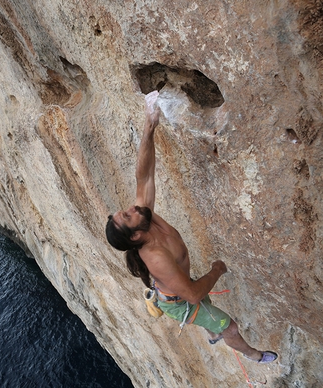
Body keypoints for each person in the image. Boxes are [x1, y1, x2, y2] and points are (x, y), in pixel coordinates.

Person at [105, 91, 277, 364]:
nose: (130, 209)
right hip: (180, 301)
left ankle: (208, 328)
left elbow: (144, 174)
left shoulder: (146, 218)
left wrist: (149, 126)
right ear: (135, 235)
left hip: (178, 286)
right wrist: (216, 270)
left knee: (200, 303)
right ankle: (254, 355)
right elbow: (194, 294)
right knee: (227, 326)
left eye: (124, 211)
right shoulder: (157, 258)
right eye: (127, 216)